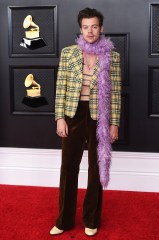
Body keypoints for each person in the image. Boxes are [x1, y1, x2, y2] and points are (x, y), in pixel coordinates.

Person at [50, 7, 121, 236]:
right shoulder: (68, 53)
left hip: (99, 117)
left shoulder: (113, 57)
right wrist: (60, 118)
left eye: (94, 26)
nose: (90, 31)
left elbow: (115, 93)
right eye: (85, 27)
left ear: (101, 28)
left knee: (96, 168)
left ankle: (91, 218)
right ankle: (64, 221)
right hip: (73, 114)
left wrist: (114, 123)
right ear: (80, 28)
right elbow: (60, 87)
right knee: (68, 168)